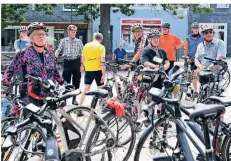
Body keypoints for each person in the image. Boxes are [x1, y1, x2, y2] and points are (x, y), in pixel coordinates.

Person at [3, 22, 64, 106]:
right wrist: (4, 88)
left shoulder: (50, 53)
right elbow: (10, 70)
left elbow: (54, 70)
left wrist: (63, 84)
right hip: (30, 95)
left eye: (43, 34)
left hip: (48, 93)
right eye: (37, 34)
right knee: (33, 118)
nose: (41, 36)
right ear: (31, 38)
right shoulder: (24, 53)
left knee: (50, 117)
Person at [55, 25, 84, 105]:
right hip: (67, 62)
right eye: (72, 32)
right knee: (66, 81)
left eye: (74, 32)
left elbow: (82, 53)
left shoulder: (79, 41)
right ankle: (64, 100)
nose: (73, 33)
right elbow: (58, 50)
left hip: (76, 62)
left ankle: (74, 99)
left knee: (77, 81)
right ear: (68, 32)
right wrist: (54, 56)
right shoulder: (63, 41)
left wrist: (82, 65)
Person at [78, 33, 106, 106]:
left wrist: (85, 65)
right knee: (101, 90)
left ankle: (79, 106)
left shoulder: (86, 46)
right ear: (101, 39)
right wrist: (103, 74)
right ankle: (104, 107)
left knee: (85, 90)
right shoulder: (101, 47)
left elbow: (83, 58)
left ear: (94, 38)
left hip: (88, 70)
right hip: (98, 71)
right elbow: (102, 61)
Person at [184, 22, 204, 98]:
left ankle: (203, 89)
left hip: (200, 59)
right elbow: (185, 49)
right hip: (191, 59)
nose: (196, 29)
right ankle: (196, 91)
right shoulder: (188, 38)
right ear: (192, 29)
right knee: (193, 75)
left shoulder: (202, 38)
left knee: (202, 75)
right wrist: (186, 58)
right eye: (194, 28)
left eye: (197, 28)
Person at [13, 26, 30, 97]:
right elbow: (17, 49)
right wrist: (20, 50)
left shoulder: (31, 41)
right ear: (20, 33)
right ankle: (23, 93)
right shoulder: (17, 41)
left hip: (32, 62)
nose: (24, 33)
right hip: (23, 62)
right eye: (22, 32)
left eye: (25, 31)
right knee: (23, 78)